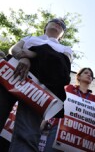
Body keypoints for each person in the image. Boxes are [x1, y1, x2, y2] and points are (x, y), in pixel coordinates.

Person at [3, 18, 72, 152]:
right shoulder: (30, 37)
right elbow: (14, 49)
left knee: (27, 133)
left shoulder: (66, 48)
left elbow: (62, 66)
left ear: (62, 35)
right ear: (45, 26)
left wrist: (32, 54)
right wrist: (24, 57)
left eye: (62, 25)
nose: (58, 23)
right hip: (10, 73)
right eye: (55, 21)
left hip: (39, 89)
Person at [43, 67, 95, 152]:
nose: (89, 75)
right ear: (79, 77)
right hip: (61, 127)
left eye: (91, 75)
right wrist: (45, 120)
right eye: (86, 73)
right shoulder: (69, 88)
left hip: (81, 134)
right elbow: (59, 104)